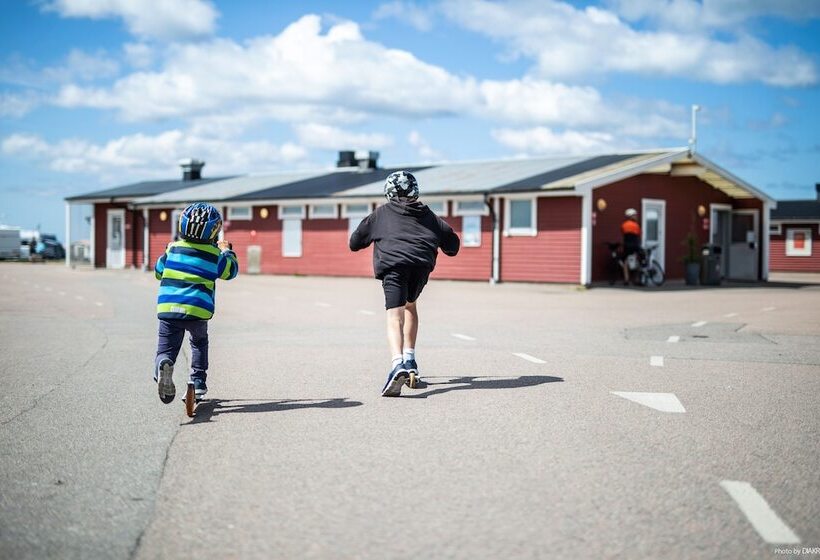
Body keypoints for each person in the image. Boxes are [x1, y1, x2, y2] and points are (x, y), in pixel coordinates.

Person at [349, 171, 460, 397]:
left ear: (389, 192)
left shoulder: (381, 214)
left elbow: (355, 242)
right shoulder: (428, 215)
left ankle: (397, 364)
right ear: (415, 191)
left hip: (394, 267)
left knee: (394, 315)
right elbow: (453, 245)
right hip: (420, 268)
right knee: (411, 306)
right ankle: (410, 360)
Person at [153, 202, 238, 404]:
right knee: (199, 343)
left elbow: (158, 272)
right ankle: (198, 382)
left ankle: (163, 364)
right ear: (214, 232)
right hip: (197, 310)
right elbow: (230, 272)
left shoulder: (172, 250)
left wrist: (167, 252)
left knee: (165, 349)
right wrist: (227, 251)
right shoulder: (214, 255)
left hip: (168, 310)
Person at [621, 208, 641, 285]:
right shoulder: (636, 225)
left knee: (625, 262)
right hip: (635, 245)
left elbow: (622, 232)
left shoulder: (624, 225)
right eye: (635, 215)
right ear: (631, 216)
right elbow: (639, 234)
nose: (636, 216)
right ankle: (637, 279)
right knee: (637, 261)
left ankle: (626, 279)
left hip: (627, 245)